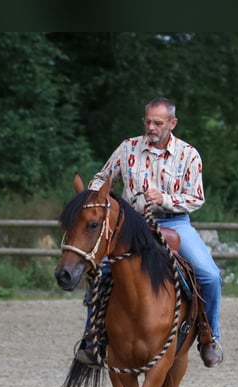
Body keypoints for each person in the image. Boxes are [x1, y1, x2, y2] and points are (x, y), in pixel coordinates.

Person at [75, 97, 224, 368]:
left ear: (172, 123)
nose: (151, 127)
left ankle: (208, 336)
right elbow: (102, 177)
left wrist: (165, 199)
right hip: (132, 225)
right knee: (101, 272)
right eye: (148, 121)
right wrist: (96, 197)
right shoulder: (128, 148)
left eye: (158, 123)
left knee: (210, 274)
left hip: (175, 224)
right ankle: (92, 339)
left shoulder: (188, 154)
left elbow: (196, 197)